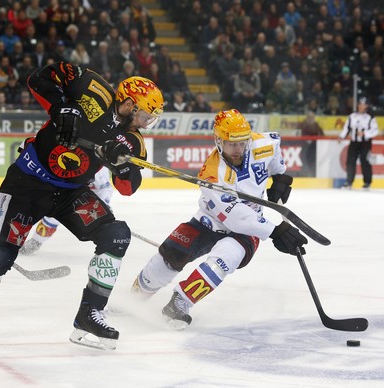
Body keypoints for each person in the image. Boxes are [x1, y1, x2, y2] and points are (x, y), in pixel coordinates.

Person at [0, 62, 164, 350]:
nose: (146, 122)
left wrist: (120, 164)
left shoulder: (132, 140)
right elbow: (39, 77)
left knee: (115, 235)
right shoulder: (92, 88)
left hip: (70, 193)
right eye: (145, 114)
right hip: (27, 182)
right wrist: (62, 107)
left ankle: (89, 313)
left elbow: (129, 188)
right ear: (130, 103)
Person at [131, 109, 308, 329]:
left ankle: (180, 302)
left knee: (224, 259)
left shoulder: (262, 144)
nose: (238, 149)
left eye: (242, 143)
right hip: (209, 222)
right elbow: (235, 217)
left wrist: (281, 177)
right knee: (167, 259)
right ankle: (133, 299)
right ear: (218, 141)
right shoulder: (212, 174)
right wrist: (276, 231)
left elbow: (275, 145)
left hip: (245, 233)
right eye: (231, 144)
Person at [19, 167, 114, 255]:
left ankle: (109, 246)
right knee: (52, 217)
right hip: (72, 192)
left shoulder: (100, 169)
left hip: (91, 197)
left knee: (100, 222)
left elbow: (105, 188)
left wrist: (103, 203)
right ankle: (36, 241)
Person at [338, 97, 379, 189]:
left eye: (363, 104)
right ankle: (349, 182)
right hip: (354, 142)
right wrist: (341, 136)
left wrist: (365, 133)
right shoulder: (352, 116)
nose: (361, 106)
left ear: (366, 106)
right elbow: (347, 128)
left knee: (365, 161)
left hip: (365, 143)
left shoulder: (370, 117)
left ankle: (367, 182)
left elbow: (375, 130)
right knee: (350, 161)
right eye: (360, 104)